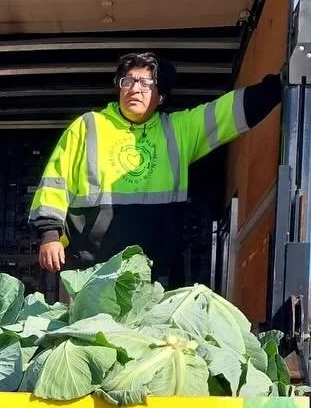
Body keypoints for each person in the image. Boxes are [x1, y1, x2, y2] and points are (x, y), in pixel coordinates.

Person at [28, 52, 283, 284]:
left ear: (160, 97)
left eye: (145, 83)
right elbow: (55, 181)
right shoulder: (88, 126)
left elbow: (230, 111)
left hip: (153, 274)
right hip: (90, 271)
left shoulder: (179, 130)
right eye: (127, 82)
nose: (134, 89)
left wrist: (281, 84)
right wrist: (50, 235)